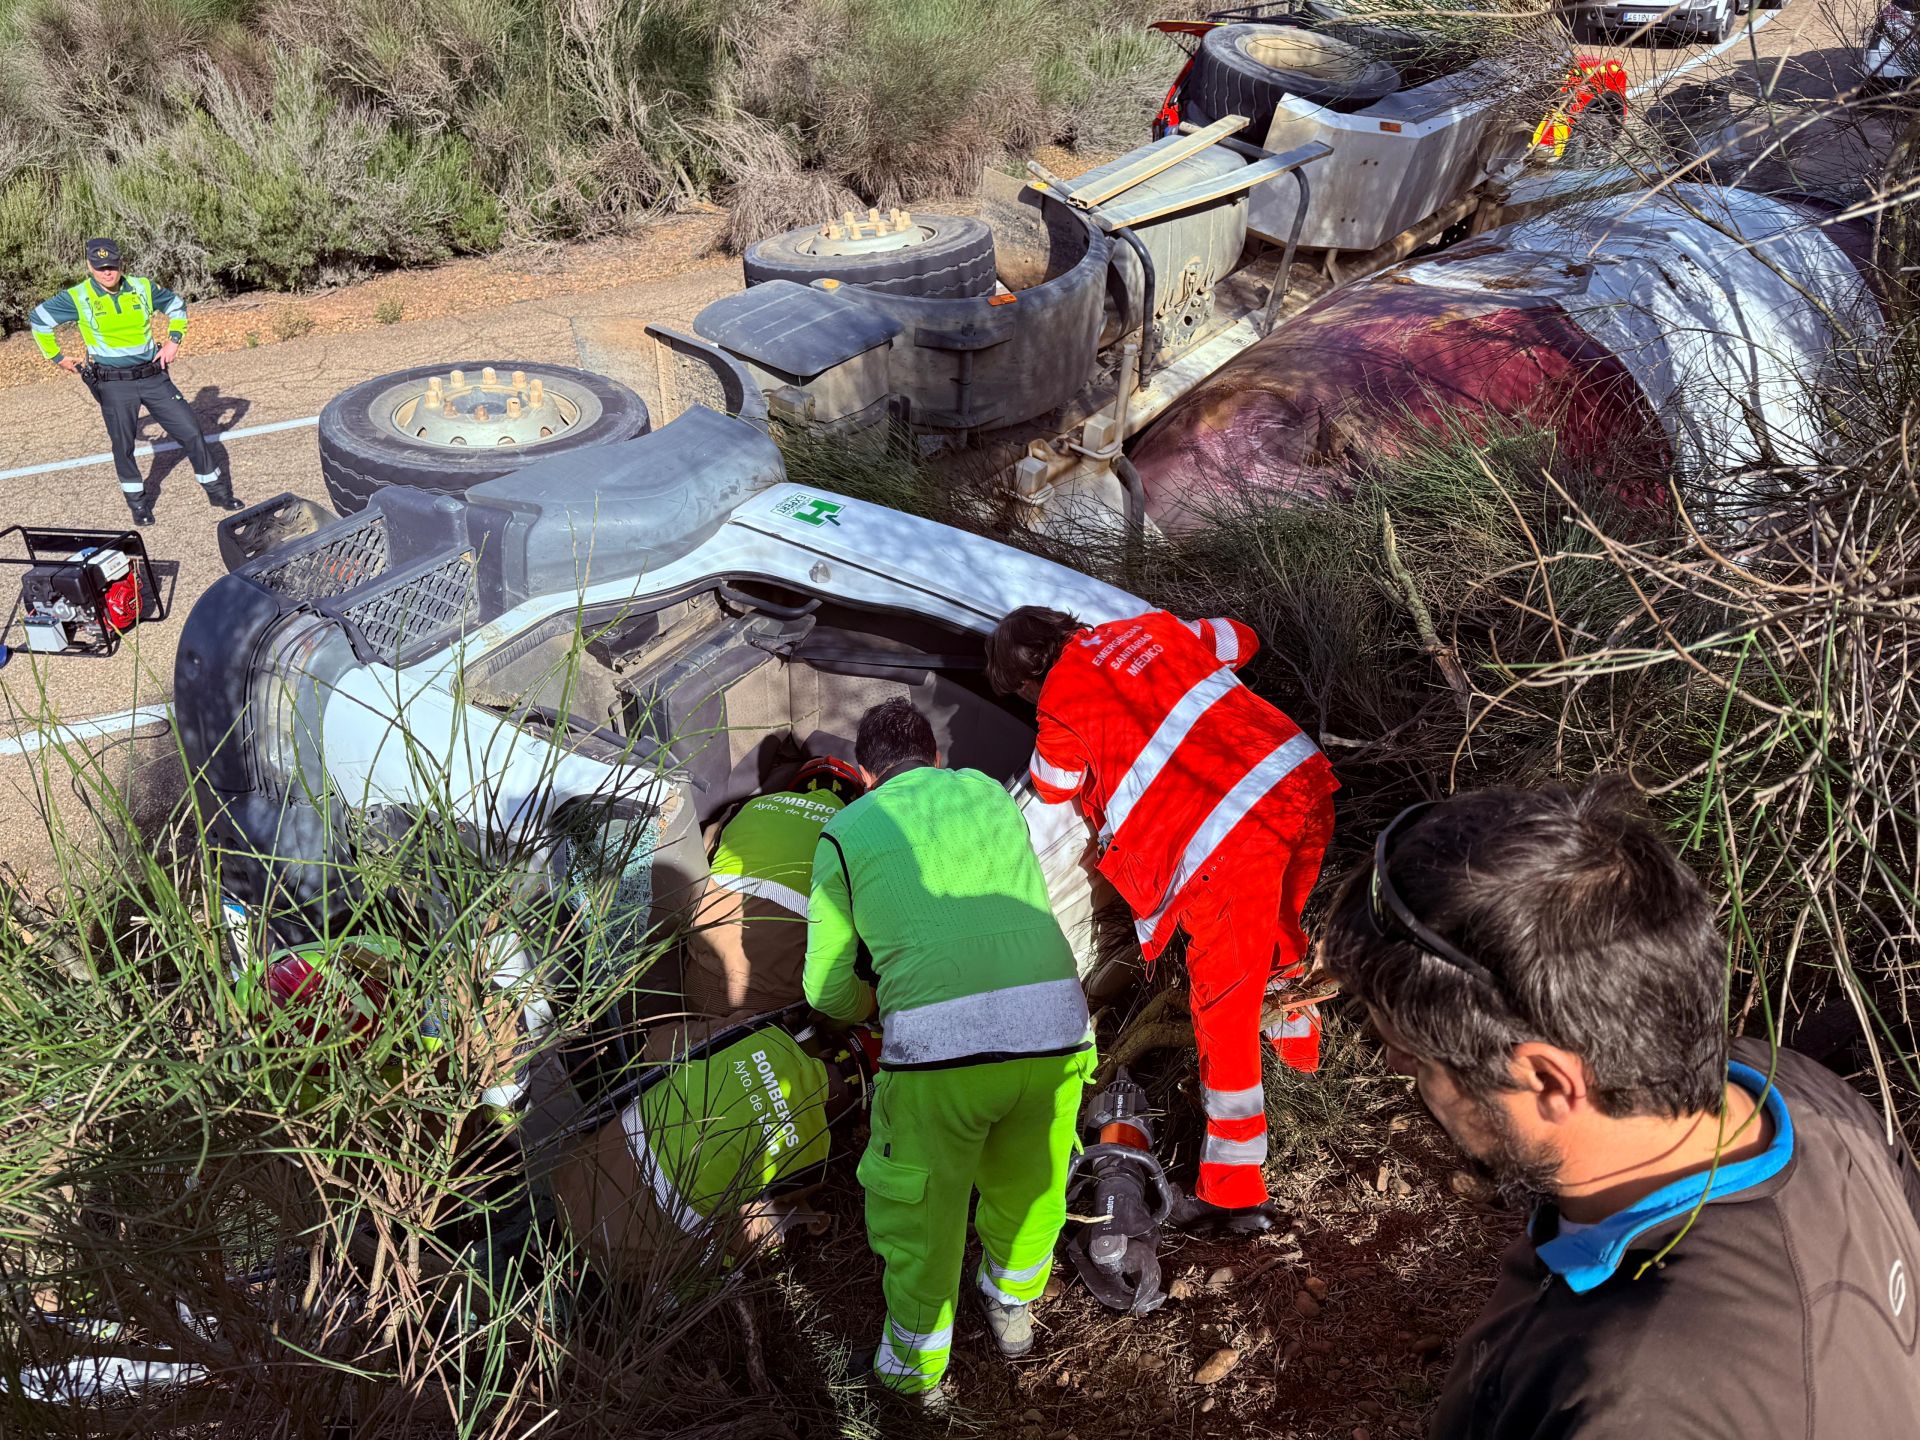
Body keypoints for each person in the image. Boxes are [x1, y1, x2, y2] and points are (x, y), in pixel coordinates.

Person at [1317, 780, 1920, 1439]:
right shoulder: (1797, 1090)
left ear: (1549, 1078)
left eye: (1413, 1054)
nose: (1398, 1067)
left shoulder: (1626, 1401)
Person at [986, 605, 1337, 1233]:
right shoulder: (1152, 627)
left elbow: (1056, 785)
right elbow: (1241, 635)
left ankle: (1234, 1192)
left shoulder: (1059, 700)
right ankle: (1302, 1057)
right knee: (1281, 930)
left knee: (1222, 1010)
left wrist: (1063, 719)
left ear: (1028, 679)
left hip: (1222, 845)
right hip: (1295, 784)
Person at [803, 697, 1094, 1406]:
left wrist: (868, 1010)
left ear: (866, 776)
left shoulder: (843, 832)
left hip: (939, 1058)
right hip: (1056, 1034)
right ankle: (1012, 1309)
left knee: (921, 1215)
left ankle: (913, 1377)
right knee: (1032, 1186)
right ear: (935, 758)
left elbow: (824, 986)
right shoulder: (988, 794)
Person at [30, 237, 243, 526]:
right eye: (100, 267)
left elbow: (177, 306)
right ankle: (139, 505)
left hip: (153, 375)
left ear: (121, 264)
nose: (107, 272)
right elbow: (39, 319)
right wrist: (56, 357)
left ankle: (218, 492)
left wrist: (174, 341)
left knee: (191, 430)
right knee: (124, 445)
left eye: (112, 266)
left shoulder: (142, 287)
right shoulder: (77, 296)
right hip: (114, 384)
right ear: (89, 266)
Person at [683, 755, 866, 1023]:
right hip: (777, 1002)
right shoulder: (855, 830)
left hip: (698, 985)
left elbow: (707, 844)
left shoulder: (751, 806)